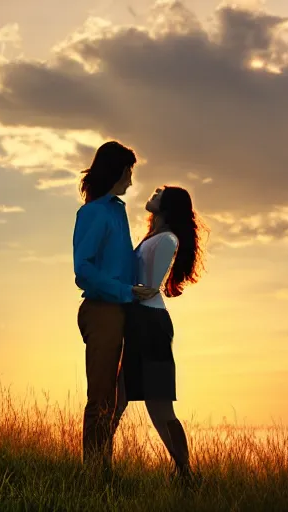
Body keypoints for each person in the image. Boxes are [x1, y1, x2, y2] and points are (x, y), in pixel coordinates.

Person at [73, 141, 158, 469]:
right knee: (100, 400)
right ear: (118, 171)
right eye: (129, 172)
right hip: (102, 311)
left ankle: (102, 471)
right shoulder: (93, 212)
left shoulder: (117, 211)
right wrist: (124, 291)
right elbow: (84, 270)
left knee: (114, 399)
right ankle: (92, 476)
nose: (132, 181)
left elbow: (123, 263)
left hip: (122, 311)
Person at [122, 185, 207, 483]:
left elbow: (149, 287)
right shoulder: (153, 237)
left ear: (169, 205)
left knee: (159, 406)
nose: (153, 193)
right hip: (139, 321)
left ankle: (186, 473)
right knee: (117, 398)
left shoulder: (167, 240)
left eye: (159, 193)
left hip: (151, 324)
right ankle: (96, 467)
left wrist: (123, 292)